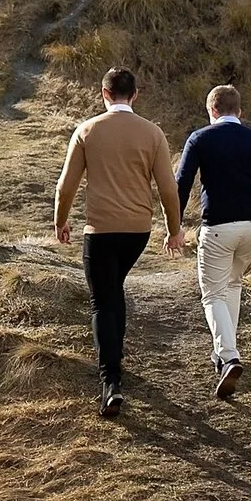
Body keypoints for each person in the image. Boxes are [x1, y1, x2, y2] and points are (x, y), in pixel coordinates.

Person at [53, 67, 184, 417]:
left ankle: (110, 381)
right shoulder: (153, 133)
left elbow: (66, 187)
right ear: (135, 94)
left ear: (104, 93)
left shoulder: (86, 131)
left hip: (100, 230)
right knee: (115, 288)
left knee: (101, 301)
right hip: (137, 231)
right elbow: (168, 190)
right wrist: (174, 229)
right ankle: (117, 358)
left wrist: (60, 221)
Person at [174, 83, 251, 400]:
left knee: (212, 293)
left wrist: (174, 226)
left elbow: (182, 184)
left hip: (218, 227)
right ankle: (222, 354)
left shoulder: (199, 138)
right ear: (239, 111)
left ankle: (229, 356)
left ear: (211, 110)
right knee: (233, 284)